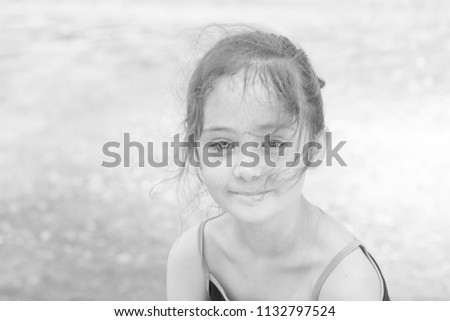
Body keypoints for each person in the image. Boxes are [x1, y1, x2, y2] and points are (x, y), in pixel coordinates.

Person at [166, 27, 389, 301]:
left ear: (315, 148)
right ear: (194, 151)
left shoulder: (346, 279)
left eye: (273, 145)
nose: (247, 170)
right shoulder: (193, 257)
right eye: (222, 145)